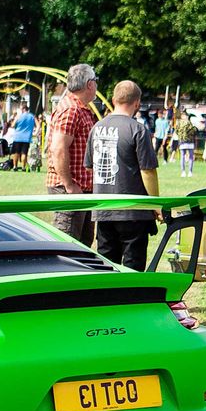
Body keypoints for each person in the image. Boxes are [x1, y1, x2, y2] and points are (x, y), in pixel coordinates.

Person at [85, 79, 160, 270]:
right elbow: (148, 171)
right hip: (133, 211)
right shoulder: (137, 129)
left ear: (113, 99)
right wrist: (156, 204)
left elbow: (90, 166)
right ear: (137, 103)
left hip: (103, 209)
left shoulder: (96, 128)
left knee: (106, 266)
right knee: (133, 266)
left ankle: (108, 299)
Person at [45, 63, 98, 247]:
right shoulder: (71, 109)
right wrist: (69, 185)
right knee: (68, 246)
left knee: (82, 245)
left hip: (79, 188)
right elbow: (58, 148)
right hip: (69, 188)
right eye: (96, 82)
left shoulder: (79, 107)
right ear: (90, 84)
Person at [8, 99, 36, 170]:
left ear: (23, 109)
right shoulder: (32, 116)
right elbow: (38, 125)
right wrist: (35, 132)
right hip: (27, 137)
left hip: (17, 137)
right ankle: (23, 167)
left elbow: (13, 125)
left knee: (16, 152)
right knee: (24, 153)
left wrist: (14, 119)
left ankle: (15, 166)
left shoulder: (19, 116)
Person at [178, 114, 197, 178]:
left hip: (182, 141)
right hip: (190, 142)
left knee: (182, 157)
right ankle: (190, 172)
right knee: (191, 157)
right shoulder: (191, 124)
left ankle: (183, 172)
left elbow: (176, 131)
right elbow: (195, 131)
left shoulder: (180, 124)